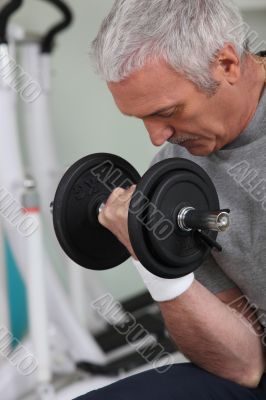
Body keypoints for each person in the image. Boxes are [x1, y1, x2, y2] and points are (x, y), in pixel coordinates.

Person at [76, 0, 266, 398]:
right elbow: (243, 364)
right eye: (142, 119)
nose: (157, 137)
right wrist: (153, 261)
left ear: (227, 64)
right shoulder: (177, 169)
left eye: (168, 111)